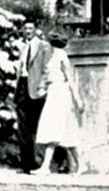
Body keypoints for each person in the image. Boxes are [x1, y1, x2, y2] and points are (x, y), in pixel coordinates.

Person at [34, 29, 81, 175]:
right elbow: (52, 78)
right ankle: (81, 164)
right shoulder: (53, 56)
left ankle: (45, 167)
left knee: (55, 129)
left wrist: (78, 99)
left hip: (61, 94)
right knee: (64, 132)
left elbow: (70, 80)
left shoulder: (61, 56)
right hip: (54, 93)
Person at [13, 23, 50, 173]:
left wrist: (42, 87)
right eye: (25, 29)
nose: (27, 31)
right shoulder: (23, 47)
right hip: (22, 87)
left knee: (38, 127)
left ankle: (48, 162)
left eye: (30, 29)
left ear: (35, 31)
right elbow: (21, 68)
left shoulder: (43, 46)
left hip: (36, 90)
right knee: (23, 128)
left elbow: (47, 68)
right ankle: (27, 164)